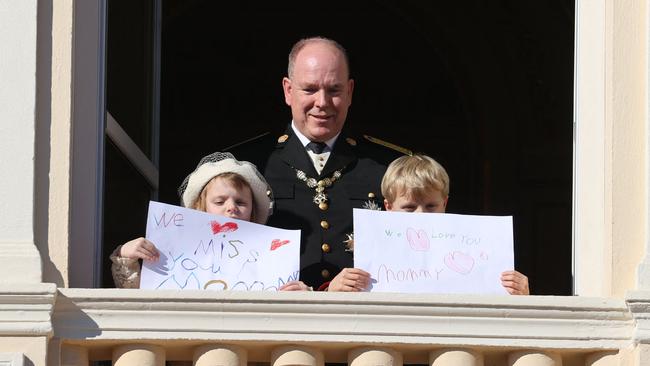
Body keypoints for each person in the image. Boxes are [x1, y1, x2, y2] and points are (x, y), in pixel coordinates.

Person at [229, 36, 407, 289]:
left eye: (334, 90)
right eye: (310, 89)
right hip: (272, 321)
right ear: (288, 91)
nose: (322, 103)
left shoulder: (388, 167)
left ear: (350, 92)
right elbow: (207, 246)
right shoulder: (245, 164)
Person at [328, 153, 530, 295]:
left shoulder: (470, 246)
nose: (420, 215)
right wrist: (333, 290)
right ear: (388, 207)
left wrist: (520, 295)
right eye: (409, 207)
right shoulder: (371, 253)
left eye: (431, 206)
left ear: (445, 203)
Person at [110, 151, 310, 291]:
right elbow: (138, 297)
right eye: (219, 201)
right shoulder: (174, 252)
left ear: (253, 212)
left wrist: (301, 296)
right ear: (201, 208)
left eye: (240, 202)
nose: (231, 207)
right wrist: (126, 257)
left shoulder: (271, 260)